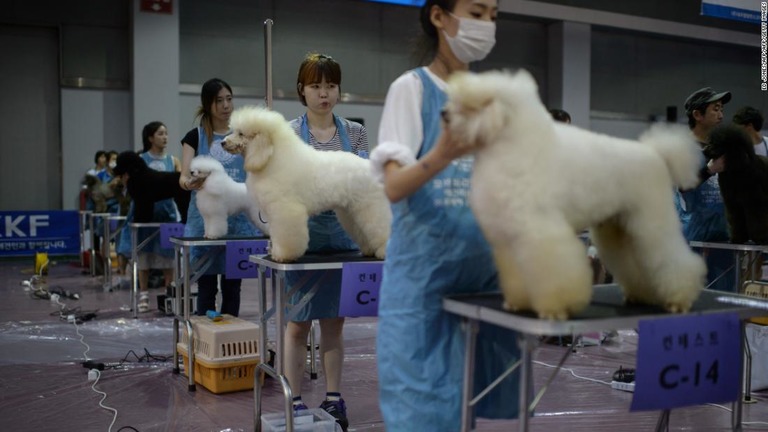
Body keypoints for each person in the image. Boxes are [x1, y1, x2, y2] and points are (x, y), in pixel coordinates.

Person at [369, 1, 522, 430]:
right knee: (425, 411)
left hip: (485, 283)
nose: (486, 25)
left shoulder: (494, 99)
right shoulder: (413, 89)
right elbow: (394, 187)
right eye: (476, 12)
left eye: (493, 15)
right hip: (424, 284)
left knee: (473, 405)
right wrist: (443, 153)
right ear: (439, 17)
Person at [282, 53, 368, 432]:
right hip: (302, 241)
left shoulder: (356, 132)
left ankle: (334, 399)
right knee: (298, 325)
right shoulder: (286, 132)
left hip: (343, 239)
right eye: (316, 86)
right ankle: (294, 400)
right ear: (302, 89)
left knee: (334, 324)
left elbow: (363, 187)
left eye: (331, 85)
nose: (324, 94)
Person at [179, 78, 261, 317]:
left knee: (232, 288)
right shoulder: (194, 136)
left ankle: (229, 342)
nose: (226, 105)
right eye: (219, 101)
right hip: (204, 221)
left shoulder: (244, 136)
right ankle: (206, 344)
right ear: (208, 104)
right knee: (205, 288)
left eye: (229, 99)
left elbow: (256, 168)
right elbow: (183, 177)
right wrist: (190, 183)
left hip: (238, 220)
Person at [116, 121, 182, 312]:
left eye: (166, 133)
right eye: (160, 134)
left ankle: (169, 295)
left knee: (168, 257)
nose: (165, 137)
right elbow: (127, 188)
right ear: (150, 138)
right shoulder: (138, 159)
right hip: (145, 216)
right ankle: (143, 295)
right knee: (144, 256)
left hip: (167, 214)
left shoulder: (174, 160)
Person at [677, 86, 733, 291]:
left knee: (725, 296)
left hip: (723, 233)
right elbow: (681, 185)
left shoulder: (722, 145)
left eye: (721, 109)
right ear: (697, 114)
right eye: (715, 109)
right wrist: (709, 170)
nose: (721, 114)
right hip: (694, 235)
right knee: (693, 296)